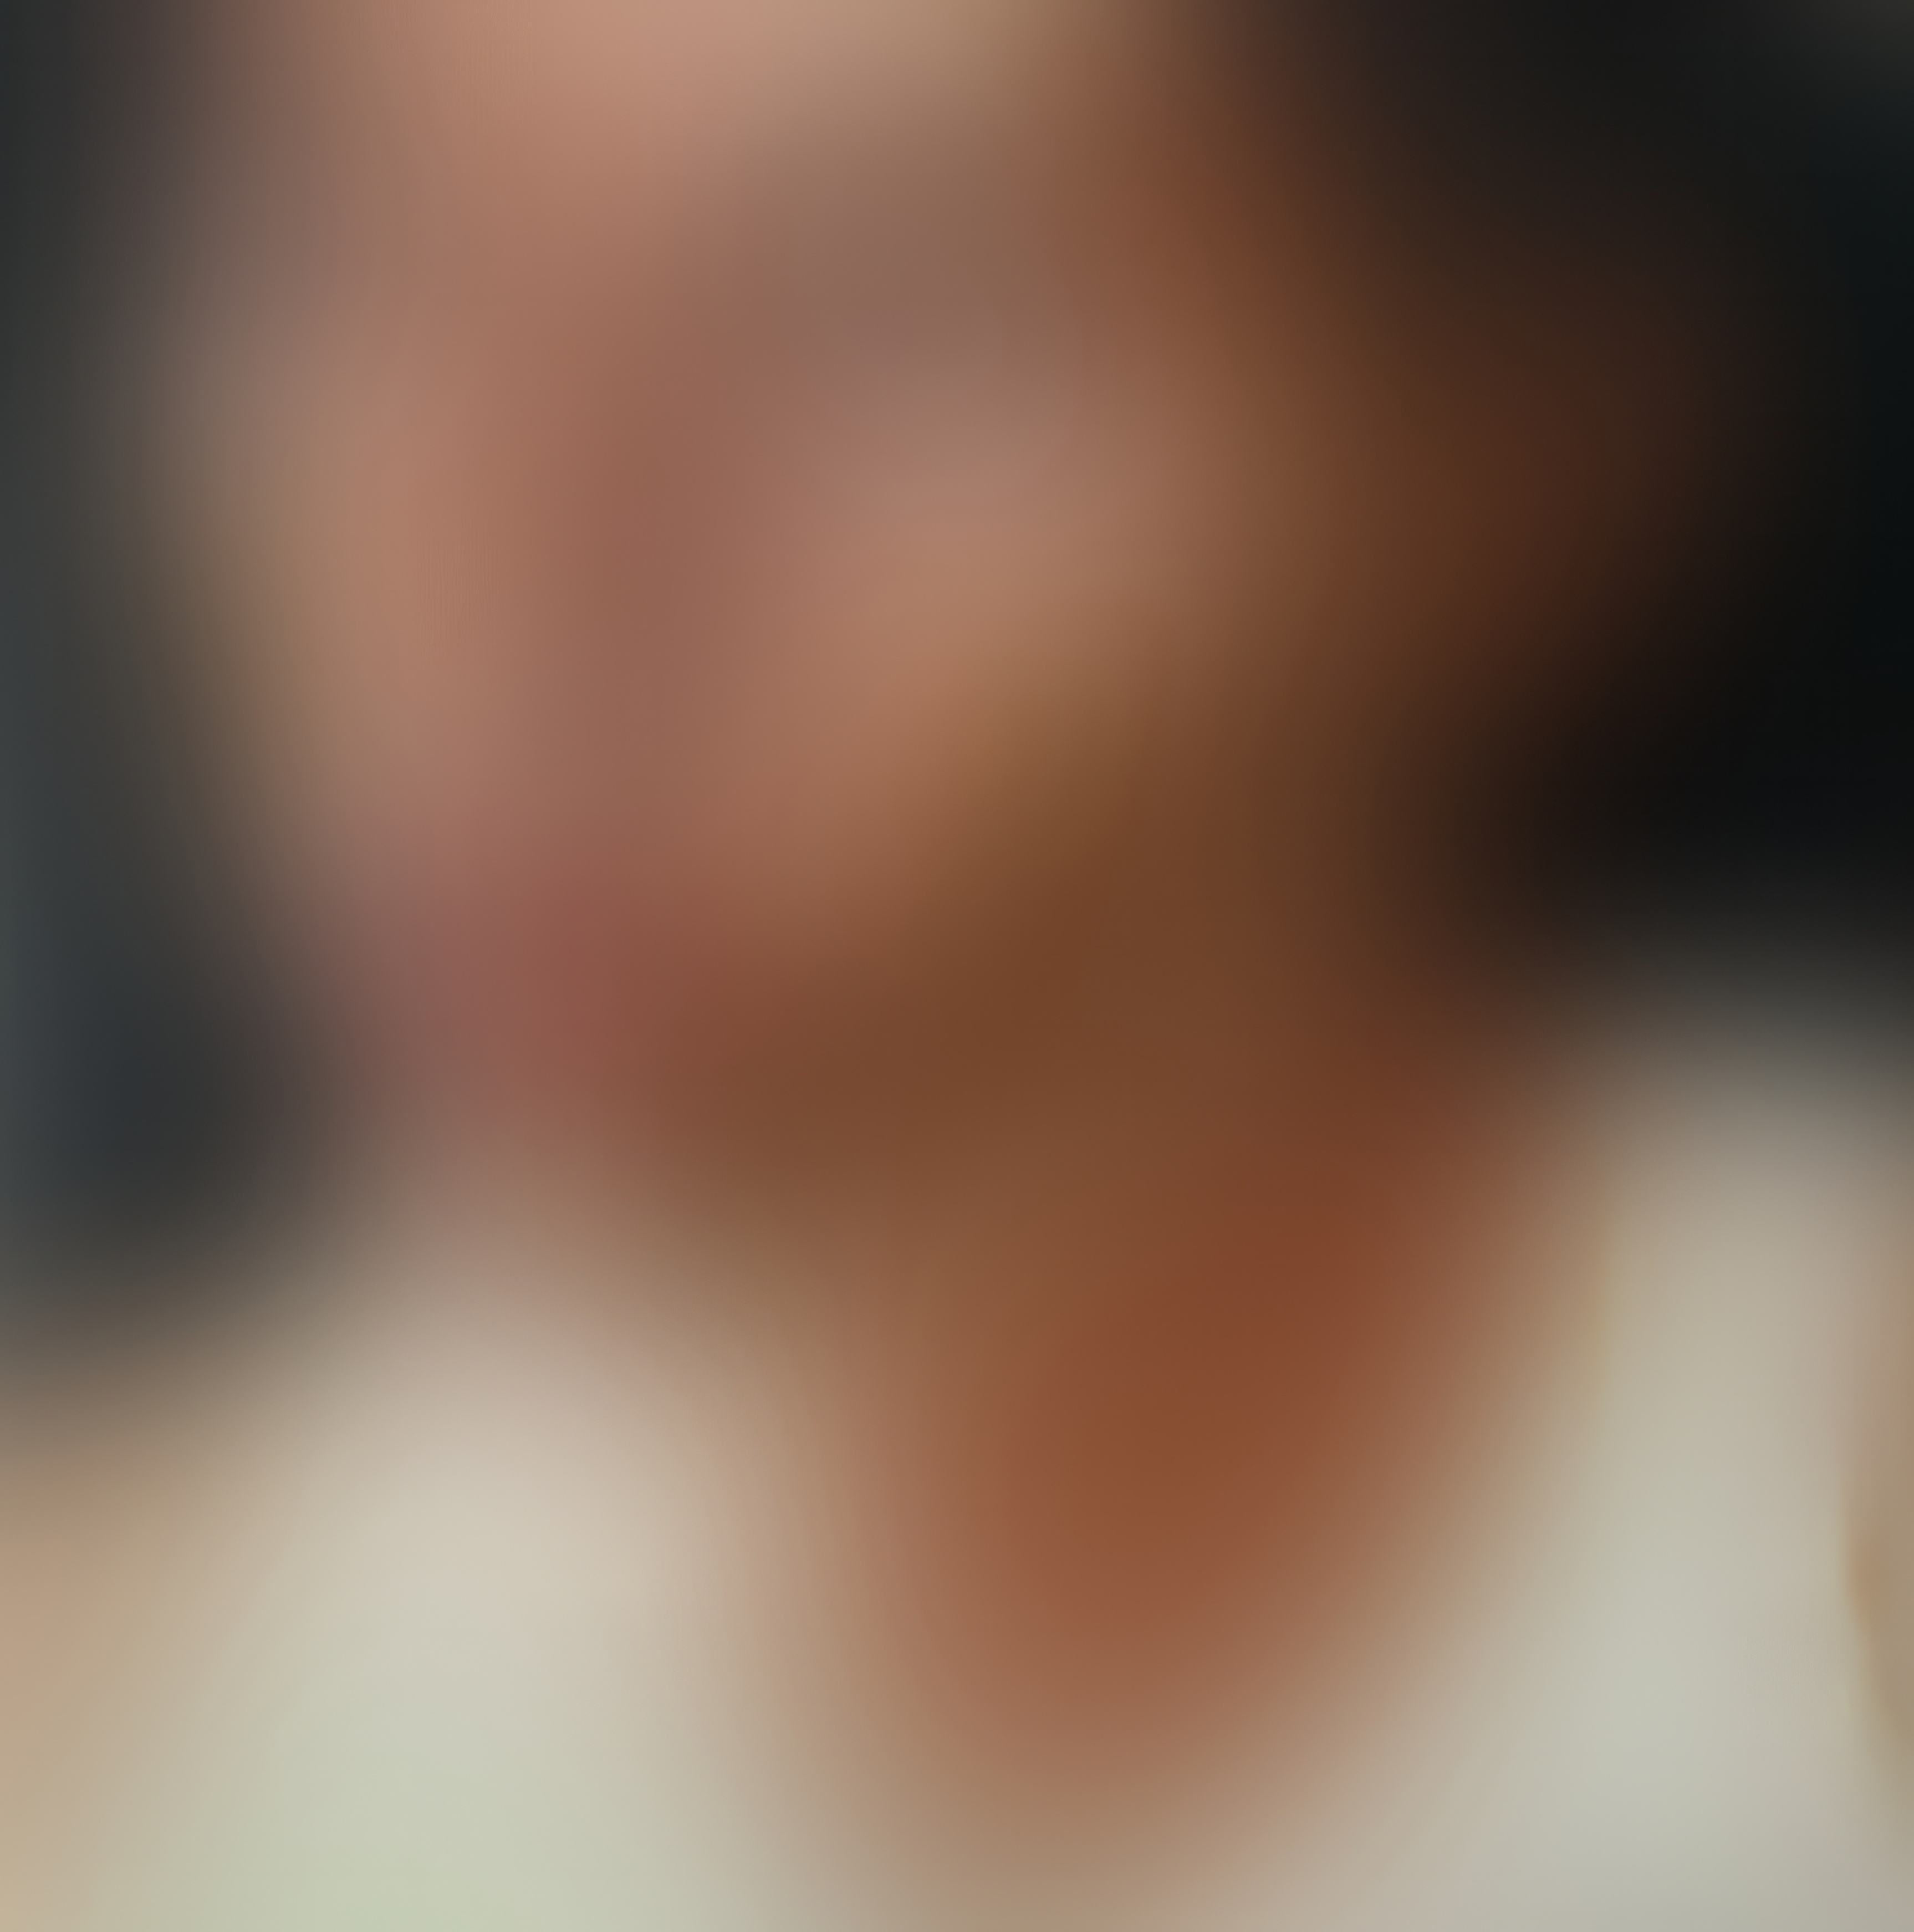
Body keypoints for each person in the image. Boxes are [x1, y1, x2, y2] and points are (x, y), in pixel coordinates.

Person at [1, 1, 1909, 1926]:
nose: (520, 555)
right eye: (337, 244)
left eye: (892, 307)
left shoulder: (1833, 1519)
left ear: (1527, 461)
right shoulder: (99, 1655)